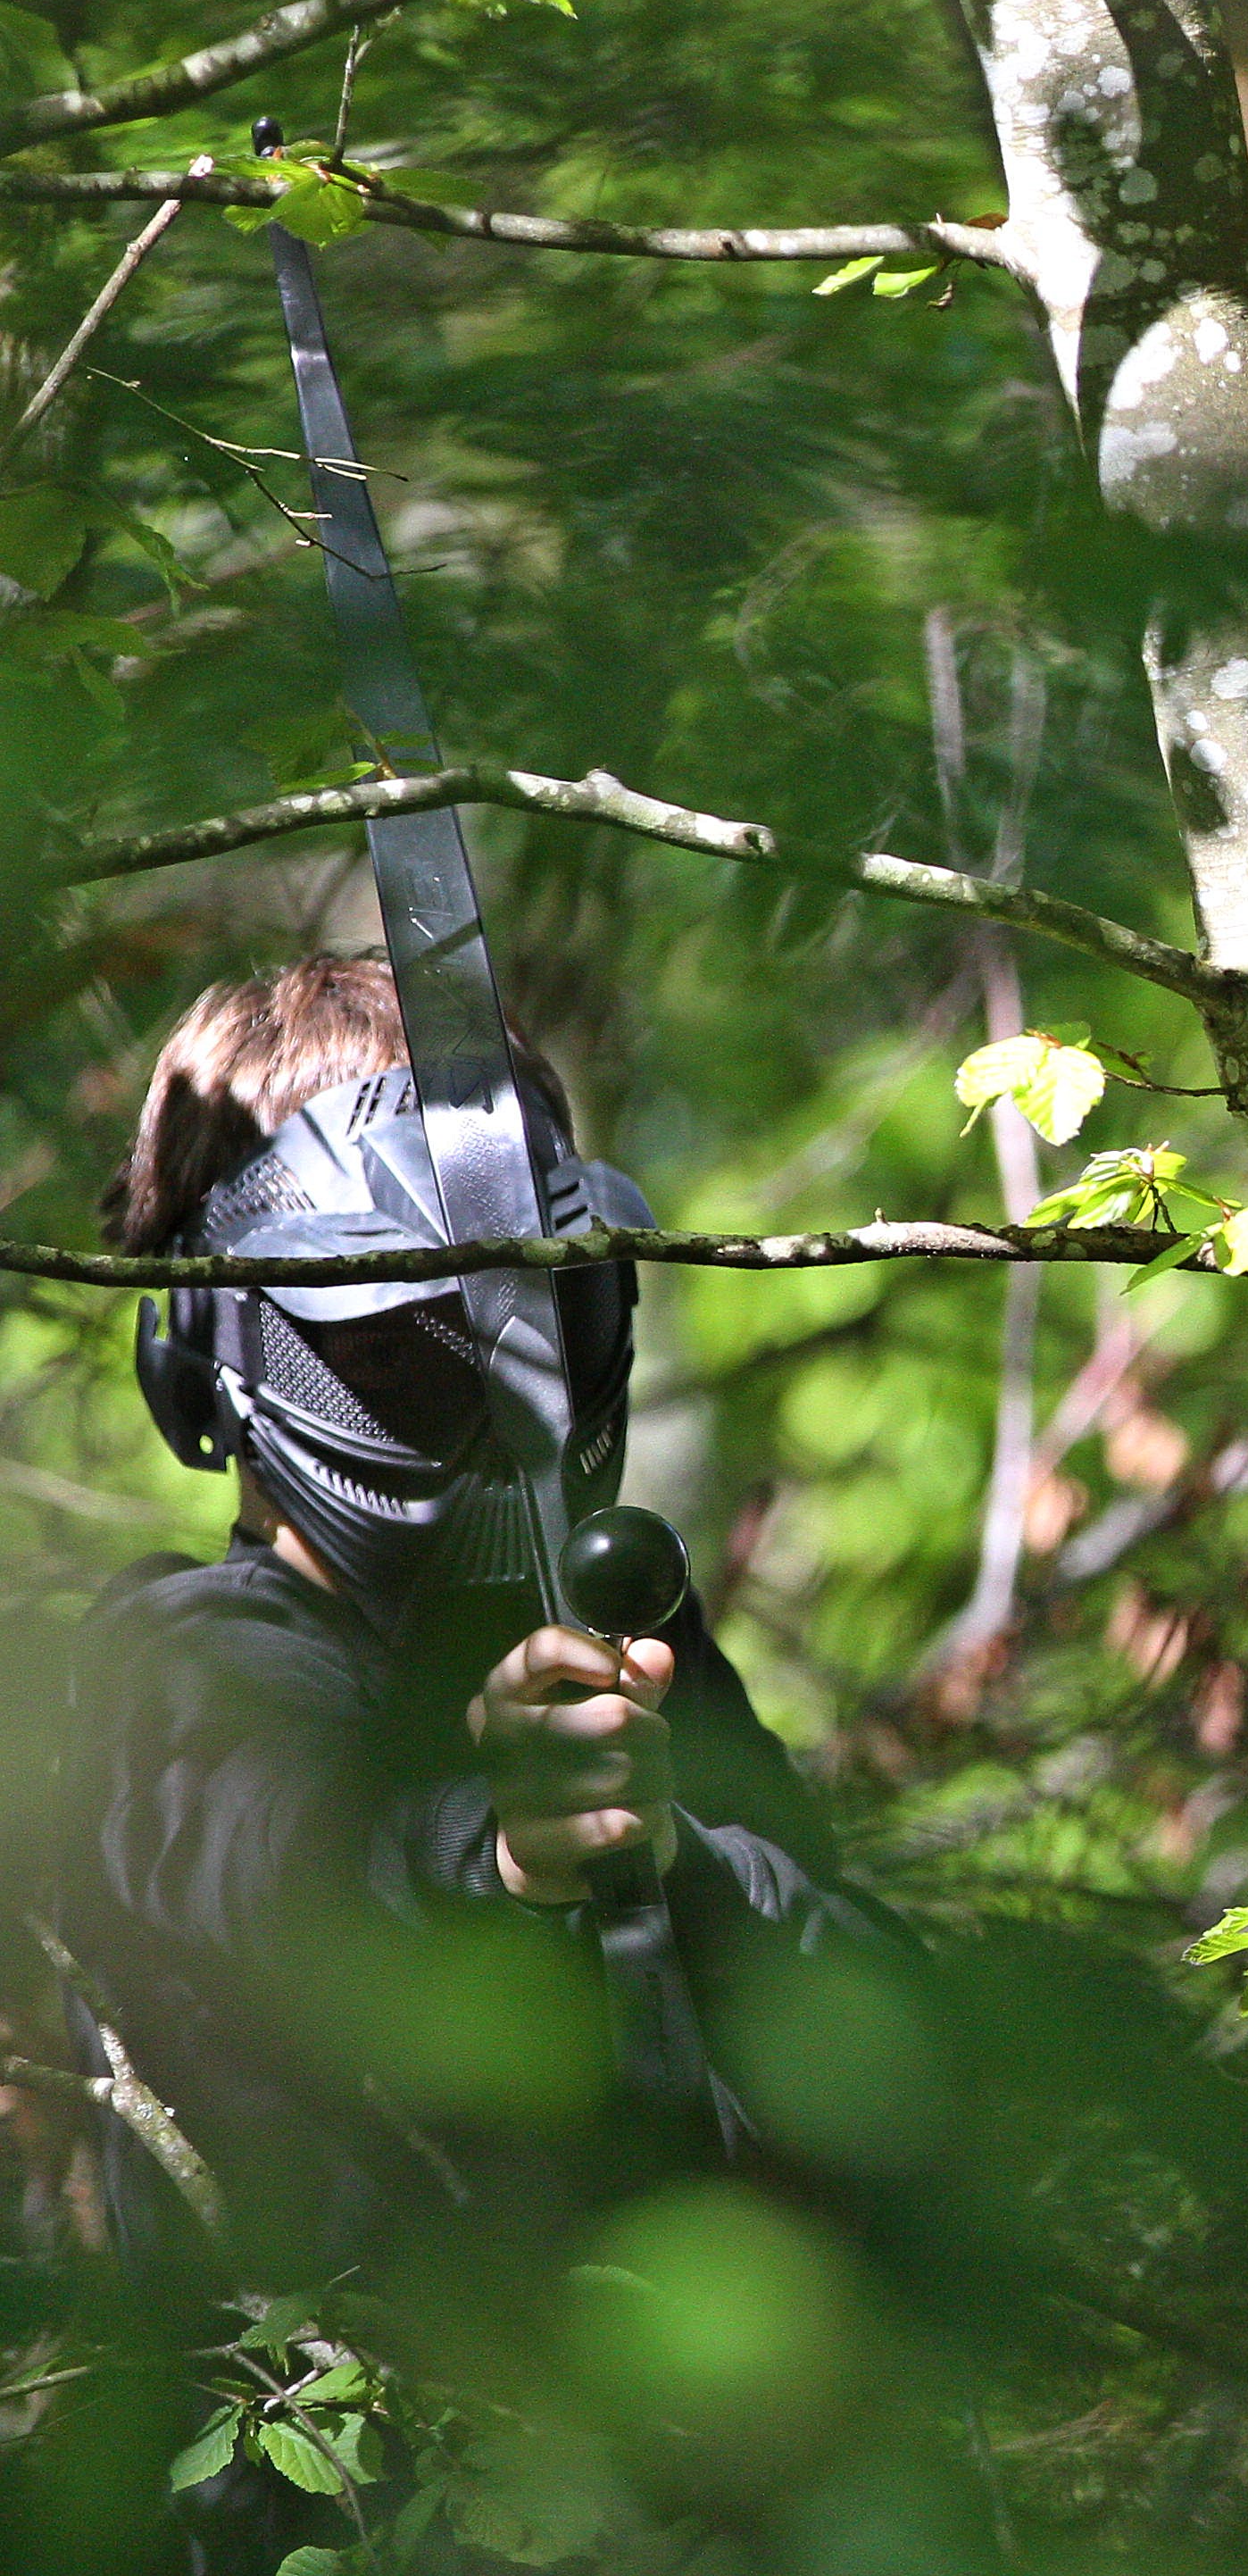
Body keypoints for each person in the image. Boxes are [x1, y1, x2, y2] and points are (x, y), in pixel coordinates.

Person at [57, 955, 869, 2271]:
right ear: (204, 1351)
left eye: (532, 1314)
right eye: (383, 1348)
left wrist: (679, 1861)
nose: (483, 1393)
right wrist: (487, 1848)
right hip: (337, 2459)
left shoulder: (631, 1639)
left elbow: (876, 2032)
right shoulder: (179, 1660)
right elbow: (284, 1854)